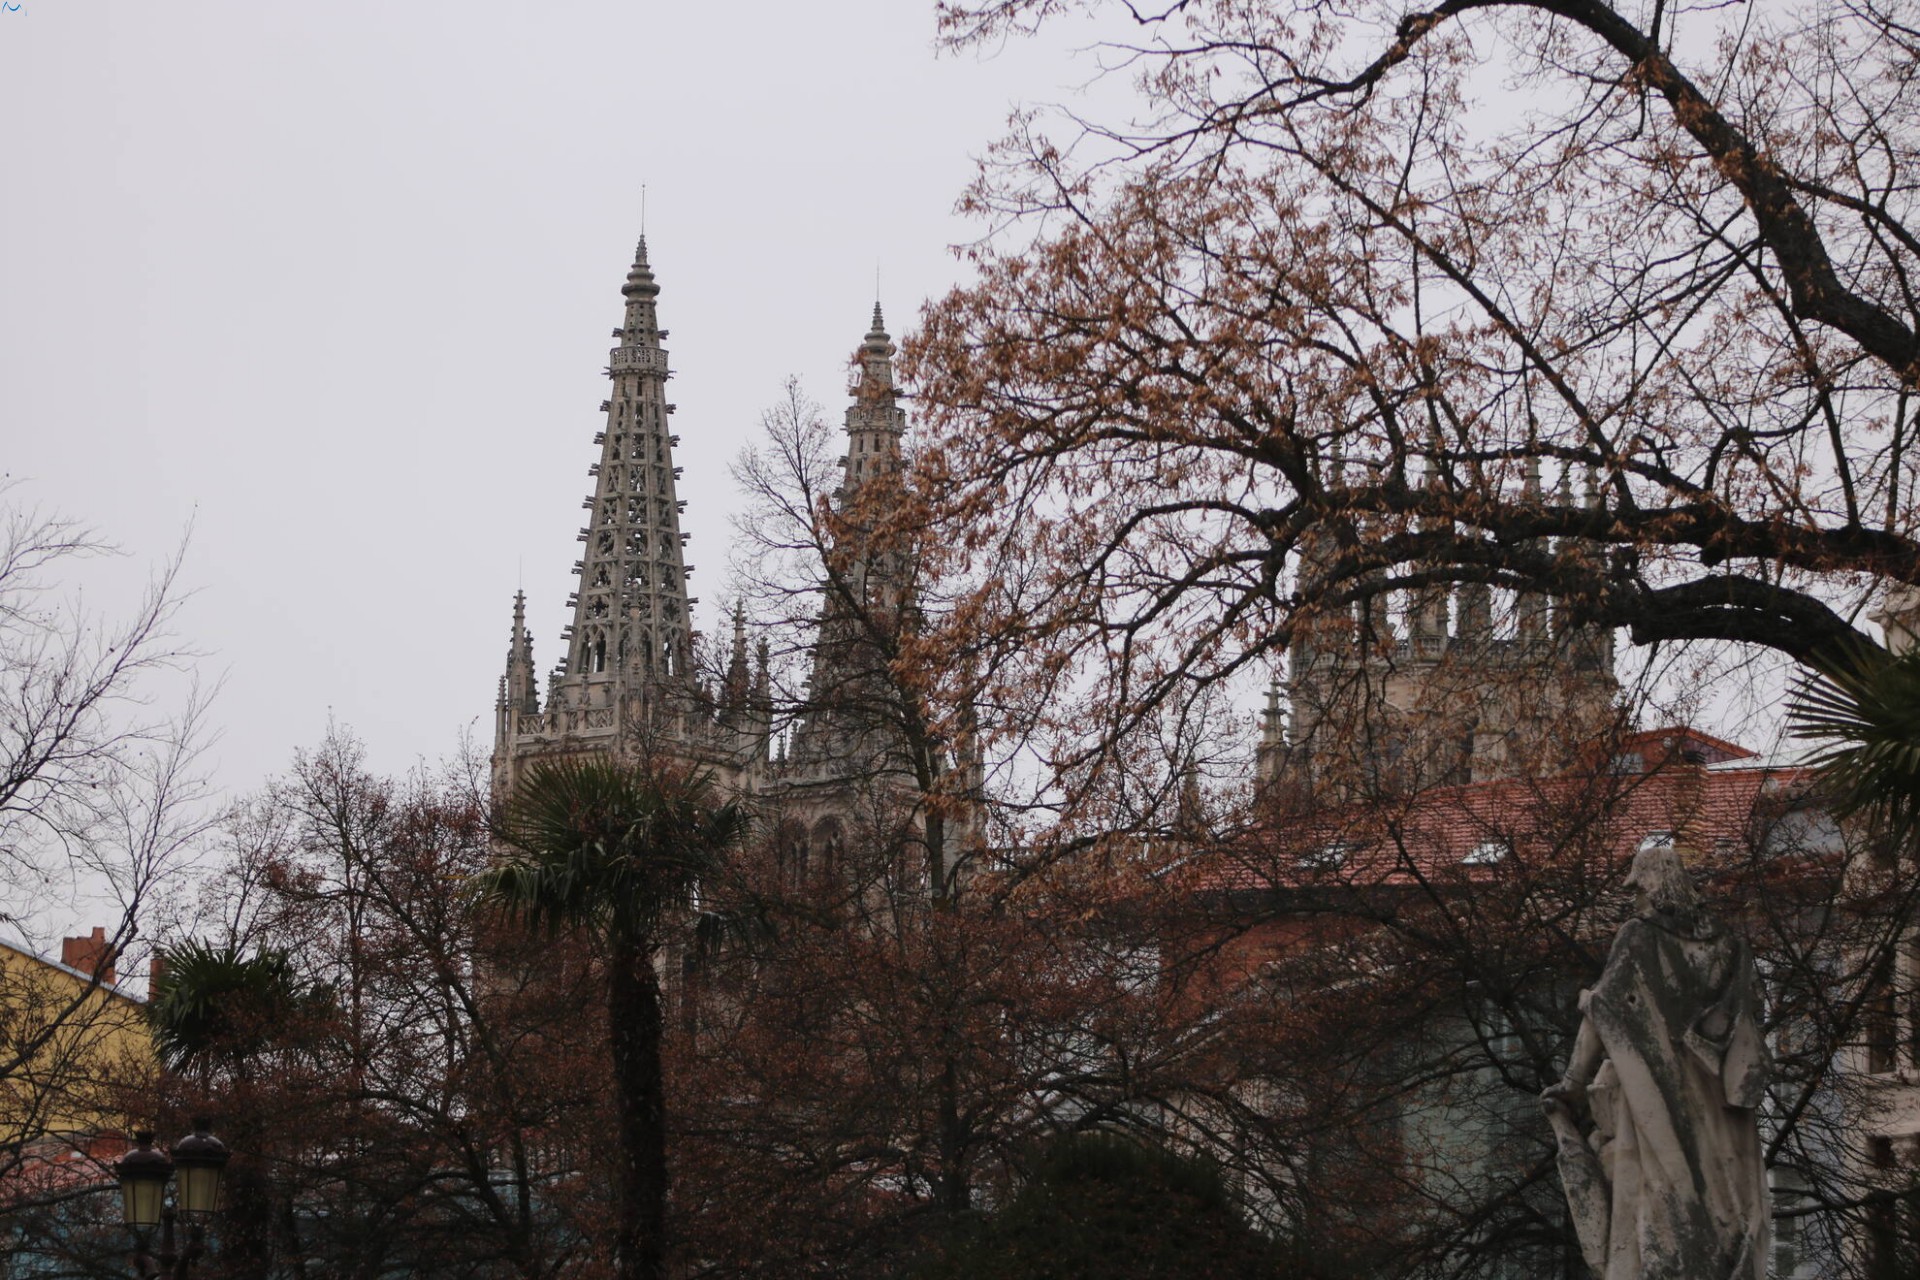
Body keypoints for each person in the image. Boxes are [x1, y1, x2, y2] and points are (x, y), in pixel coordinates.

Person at [1542, 841, 1771, 1279]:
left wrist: (1572, 1083)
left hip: (1659, 1095)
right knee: (1723, 1206)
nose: (1636, 899)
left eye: (1638, 890)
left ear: (1649, 886)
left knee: (1662, 1202)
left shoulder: (1640, 934)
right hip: (1723, 1106)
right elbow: (1751, 1016)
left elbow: (1602, 1008)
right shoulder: (1730, 944)